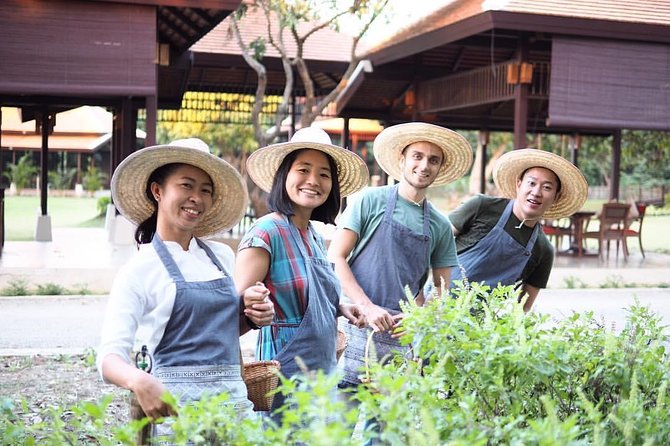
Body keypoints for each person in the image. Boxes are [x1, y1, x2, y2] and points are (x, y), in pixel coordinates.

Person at [96, 138, 274, 440]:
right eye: (186, 186)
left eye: (205, 190)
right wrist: (139, 381)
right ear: (157, 191)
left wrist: (253, 313)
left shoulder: (220, 256)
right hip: (176, 417)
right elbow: (109, 358)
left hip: (234, 408)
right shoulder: (139, 269)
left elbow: (218, 332)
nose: (197, 197)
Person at [327, 122, 473, 390]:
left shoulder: (439, 225)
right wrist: (367, 307)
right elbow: (336, 257)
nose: (424, 165)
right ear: (402, 159)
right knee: (340, 421)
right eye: (417, 156)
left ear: (439, 168)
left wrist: (419, 318)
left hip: (400, 332)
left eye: (433, 160)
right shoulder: (370, 200)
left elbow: (441, 289)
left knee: (385, 426)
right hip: (356, 320)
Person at [235, 126, 370, 414]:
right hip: (283, 378)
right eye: (303, 170)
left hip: (322, 374)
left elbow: (306, 298)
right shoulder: (267, 233)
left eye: (324, 174)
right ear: (285, 175)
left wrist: (340, 308)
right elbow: (233, 312)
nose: (313, 181)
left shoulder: (313, 235)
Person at [448, 148, 588, 311]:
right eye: (532, 183)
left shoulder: (543, 250)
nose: (536, 192)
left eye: (547, 188)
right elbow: (436, 240)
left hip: (479, 330)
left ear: (556, 197)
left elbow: (521, 310)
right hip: (434, 307)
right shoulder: (482, 207)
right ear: (519, 184)